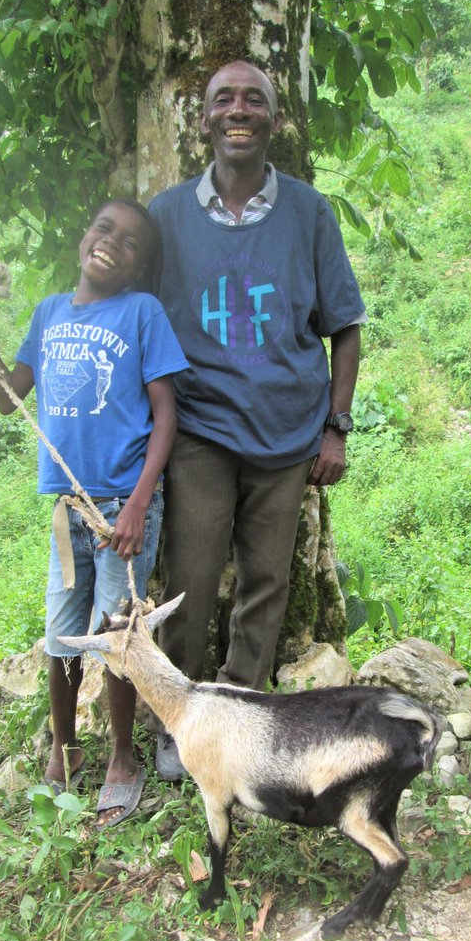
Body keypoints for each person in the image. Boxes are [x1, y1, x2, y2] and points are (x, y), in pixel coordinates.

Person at [146, 60, 366, 781]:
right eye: (223, 100)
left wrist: (335, 426)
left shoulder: (308, 212)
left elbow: (346, 326)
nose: (238, 111)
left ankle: (238, 719)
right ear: (203, 119)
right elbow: (134, 318)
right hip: (201, 430)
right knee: (192, 577)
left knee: (268, 583)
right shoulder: (168, 216)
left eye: (254, 100)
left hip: (287, 434)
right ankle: (178, 723)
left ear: (275, 119)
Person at [0, 199, 189, 826]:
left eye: (128, 244)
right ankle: (62, 749)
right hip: (68, 510)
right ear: (83, 235)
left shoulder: (141, 314)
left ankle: (123, 757)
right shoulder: (47, 314)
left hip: (122, 507)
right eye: (103, 230)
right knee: (64, 629)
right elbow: (8, 400)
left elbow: (166, 415)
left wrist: (140, 504)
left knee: (116, 633)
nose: (110, 245)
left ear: (138, 267)